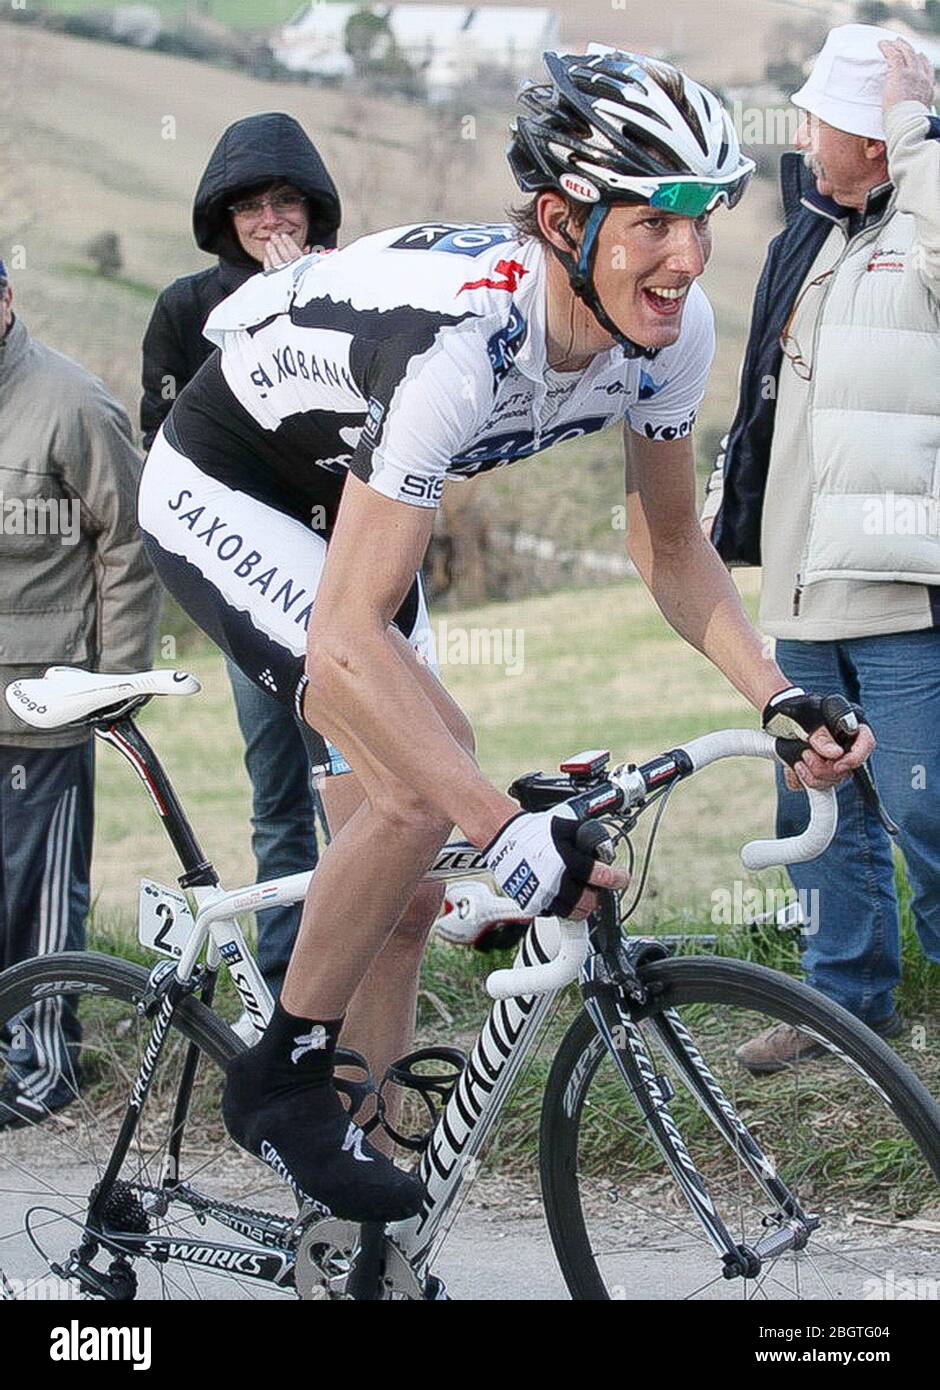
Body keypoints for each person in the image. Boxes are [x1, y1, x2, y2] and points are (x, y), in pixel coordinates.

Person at [138, 46, 872, 1223]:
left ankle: (361, 1168)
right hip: (231, 483)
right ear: (558, 216)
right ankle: (281, 1077)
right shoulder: (461, 344)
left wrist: (774, 696)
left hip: (355, 491)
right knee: (426, 788)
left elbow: (671, 549)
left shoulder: (666, 331)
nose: (686, 257)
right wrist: (507, 832)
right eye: (653, 220)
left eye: (703, 217)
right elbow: (340, 643)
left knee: (415, 868)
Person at [702, 26, 940, 1072]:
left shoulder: (921, 224)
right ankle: (841, 1008)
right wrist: (727, 495)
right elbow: (767, 397)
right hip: (803, 585)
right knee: (814, 803)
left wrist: (913, 125)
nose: (798, 139)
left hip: (897, 584)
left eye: (819, 122)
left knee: (927, 811)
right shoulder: (806, 238)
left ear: (879, 143)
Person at [141, 113, 342, 1001]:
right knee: (279, 797)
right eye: (253, 206)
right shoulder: (188, 311)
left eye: (286, 201)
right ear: (226, 216)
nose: (272, 220)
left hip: (351, 578)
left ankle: (357, 974)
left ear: (312, 207)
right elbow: (166, 453)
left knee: (362, 788)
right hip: (252, 583)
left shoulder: (350, 290)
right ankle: (283, 985)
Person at [0, 259, 160, 1129]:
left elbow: (131, 542)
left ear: (7, 296)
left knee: (38, 897)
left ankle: (45, 1069)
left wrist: (112, 685)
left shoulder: (71, 403)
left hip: (42, 701)